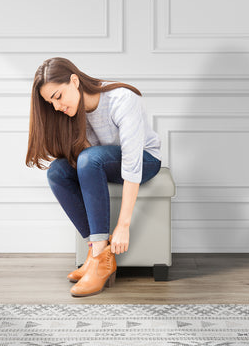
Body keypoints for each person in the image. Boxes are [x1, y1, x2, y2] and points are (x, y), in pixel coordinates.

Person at [25, 57, 162, 297]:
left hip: (145, 159)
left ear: (74, 81)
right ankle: (97, 253)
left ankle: (99, 259)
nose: (56, 106)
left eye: (58, 96)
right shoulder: (71, 113)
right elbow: (81, 160)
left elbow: (131, 162)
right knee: (57, 171)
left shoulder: (121, 99)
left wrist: (123, 225)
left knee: (90, 159)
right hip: (103, 161)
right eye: (50, 102)